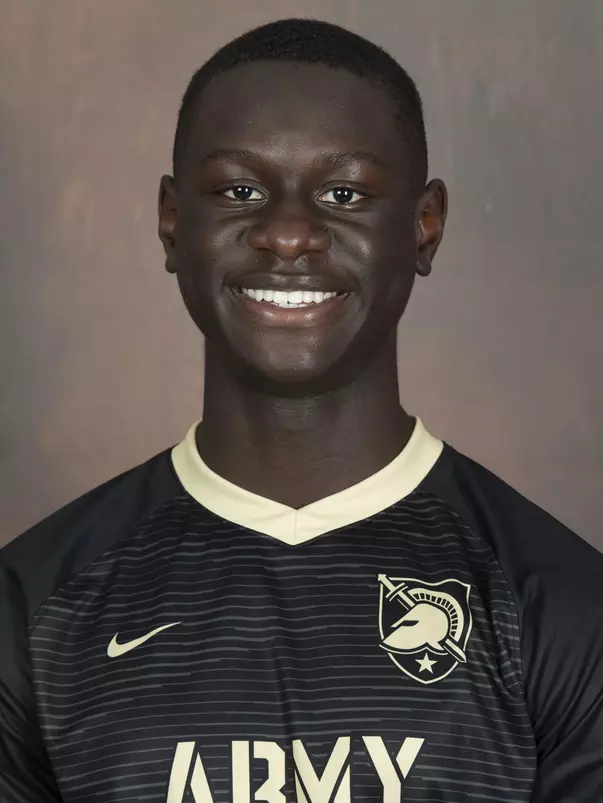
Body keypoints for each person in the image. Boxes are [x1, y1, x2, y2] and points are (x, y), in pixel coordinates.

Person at [1, 17, 602, 803]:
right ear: (173, 222)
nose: (287, 235)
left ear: (424, 226)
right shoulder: (33, 605)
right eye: (240, 191)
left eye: (343, 192)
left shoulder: (559, 605)